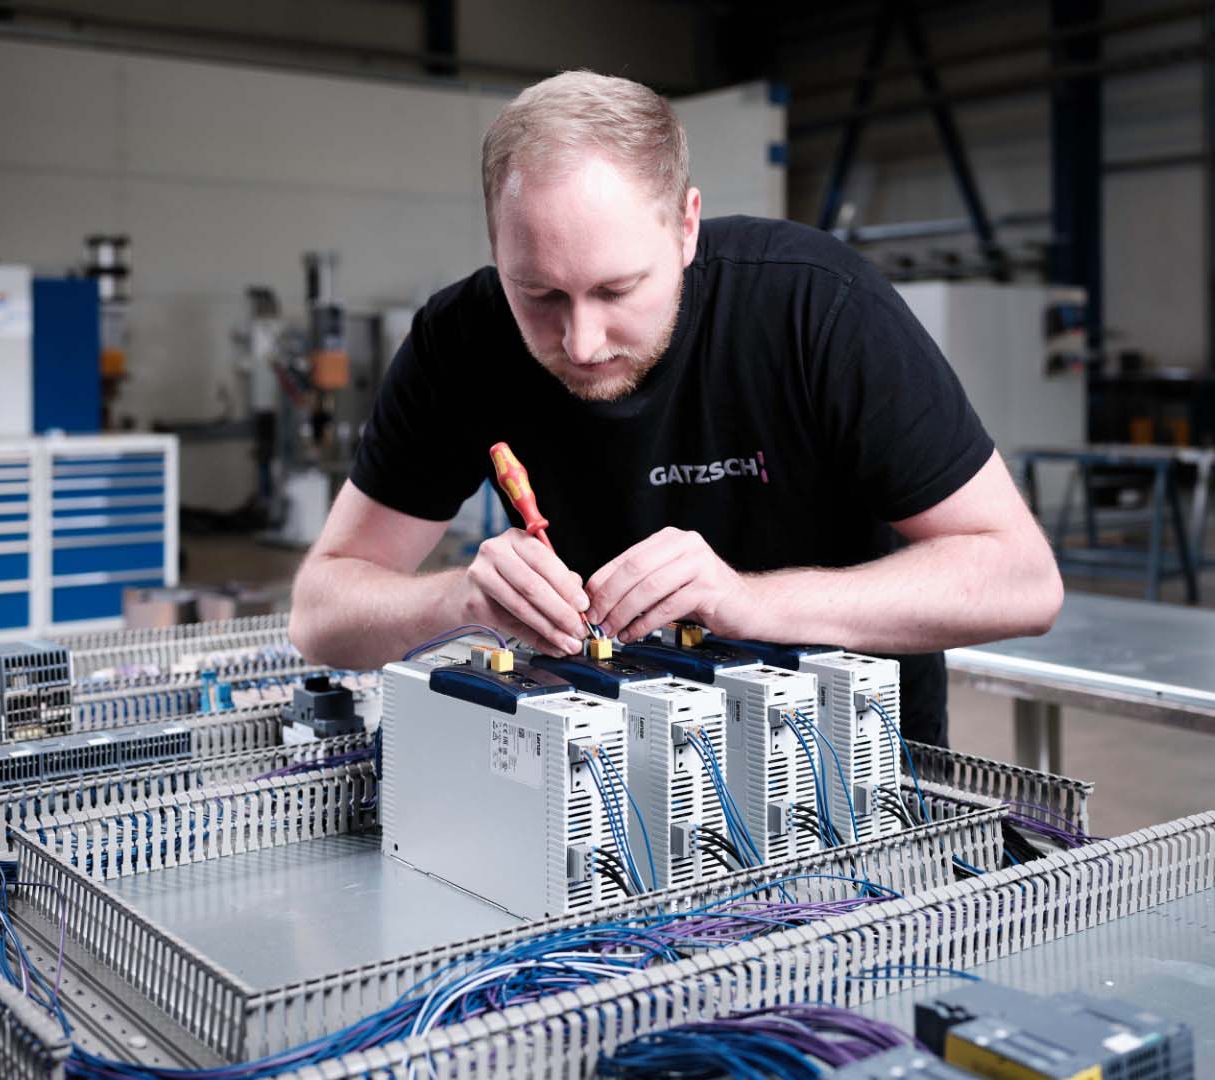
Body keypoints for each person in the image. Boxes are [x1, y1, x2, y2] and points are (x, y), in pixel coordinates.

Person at [289, 70, 1062, 746]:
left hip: (847, 778)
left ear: (687, 226)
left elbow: (1022, 581)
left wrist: (746, 600)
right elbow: (320, 614)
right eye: (539, 294)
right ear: (496, 249)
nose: (582, 341)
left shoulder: (815, 306)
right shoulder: (459, 341)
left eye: (617, 291)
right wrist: (456, 601)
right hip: (600, 783)